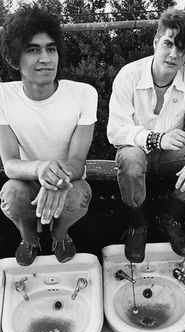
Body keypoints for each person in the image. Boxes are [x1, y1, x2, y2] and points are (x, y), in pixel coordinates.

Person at [107, 9, 185, 264]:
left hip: (168, 157)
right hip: (136, 152)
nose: (173, 54)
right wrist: (155, 138)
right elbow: (116, 130)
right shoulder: (129, 75)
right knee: (130, 159)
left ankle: (169, 217)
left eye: (182, 49)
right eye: (168, 44)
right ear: (155, 42)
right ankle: (138, 224)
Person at [0, 4, 97, 266]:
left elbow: (77, 163)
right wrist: (41, 169)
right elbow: (9, 163)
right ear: (13, 59)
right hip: (28, 178)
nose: (46, 58)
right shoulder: (3, 96)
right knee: (11, 195)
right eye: (33, 50)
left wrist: (55, 180)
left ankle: (59, 234)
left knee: (78, 197)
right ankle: (29, 238)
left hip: (70, 181)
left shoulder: (83, 94)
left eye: (51, 49)